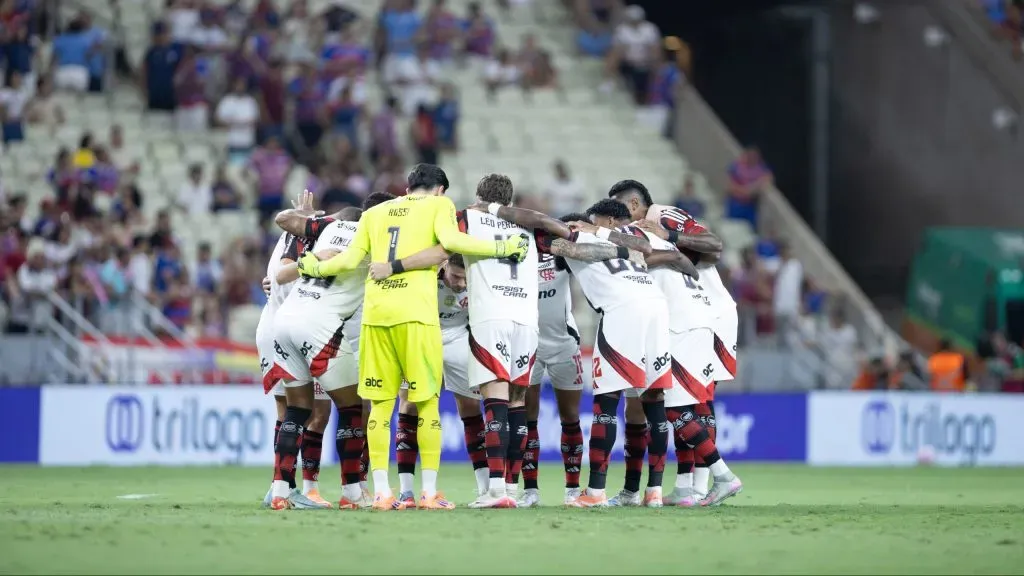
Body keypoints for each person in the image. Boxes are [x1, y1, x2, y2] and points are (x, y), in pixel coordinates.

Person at [296, 164, 530, 511]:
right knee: (427, 404)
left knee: (379, 406)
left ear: (408, 188)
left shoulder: (375, 213)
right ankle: (429, 493)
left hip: (376, 316)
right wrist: (502, 248)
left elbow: (347, 262)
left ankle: (381, 493)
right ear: (440, 190)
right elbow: (451, 243)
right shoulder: (440, 207)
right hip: (416, 316)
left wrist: (312, 266)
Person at [610, 179, 743, 505]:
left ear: (632, 206)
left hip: (706, 312)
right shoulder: (644, 232)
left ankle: (708, 482)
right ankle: (689, 485)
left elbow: (713, 244)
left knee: (689, 401)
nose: (615, 218)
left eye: (617, 210)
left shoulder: (664, 215)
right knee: (692, 400)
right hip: (694, 312)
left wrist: (666, 234)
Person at [268, 202, 372, 510]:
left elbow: (283, 220)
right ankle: (353, 492)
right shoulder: (370, 237)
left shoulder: (325, 230)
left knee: (297, 410)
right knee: (352, 406)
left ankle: (280, 491)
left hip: (284, 319)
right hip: (318, 324)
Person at [390, 254, 492, 506]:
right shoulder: (423, 276)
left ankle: (485, 489)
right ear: (444, 266)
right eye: (456, 276)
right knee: (409, 404)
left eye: (465, 278)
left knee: (470, 408)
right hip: (421, 338)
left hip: (458, 339)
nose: (460, 283)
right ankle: (406, 491)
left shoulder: (479, 281)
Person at [255, 191, 335, 510]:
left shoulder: (289, 239)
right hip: (291, 331)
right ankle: (301, 489)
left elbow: (275, 278)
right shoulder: (304, 242)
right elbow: (287, 277)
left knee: (290, 412)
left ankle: (280, 486)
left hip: (270, 327)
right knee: (311, 411)